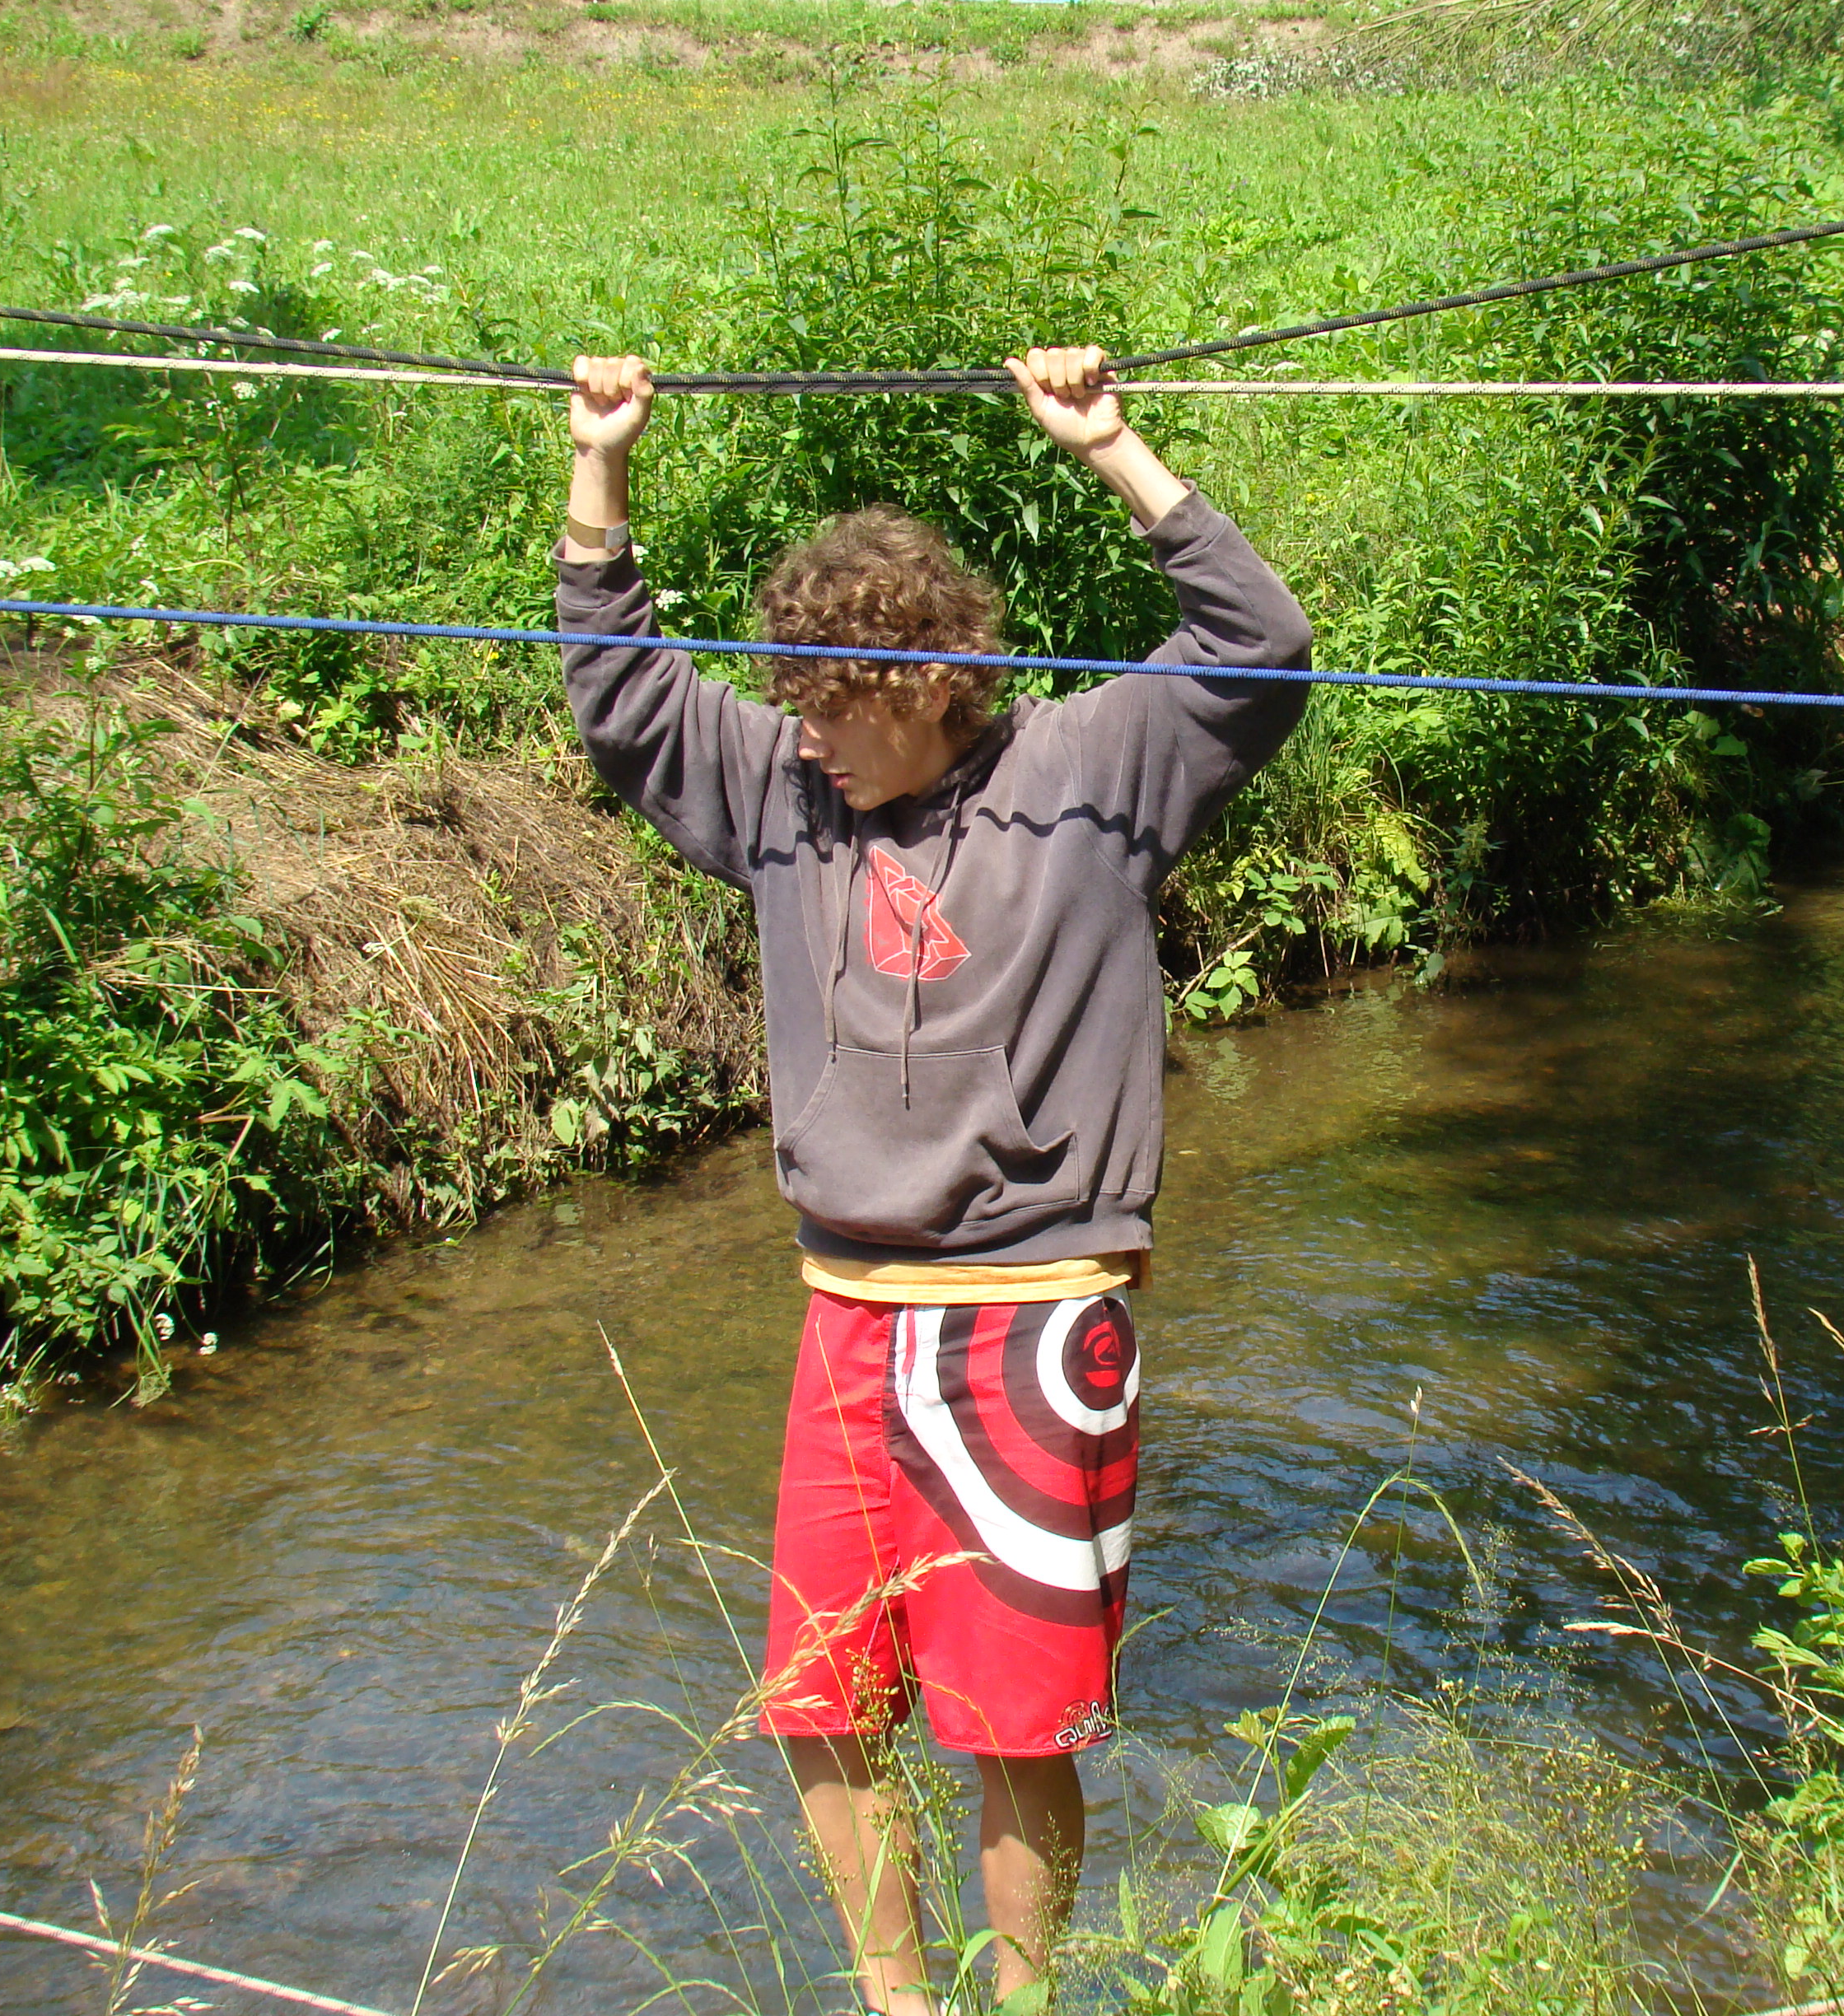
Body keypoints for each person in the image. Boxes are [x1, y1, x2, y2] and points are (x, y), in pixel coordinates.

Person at [555, 345, 1311, 2014]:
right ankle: (897, 2005)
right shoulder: (780, 790)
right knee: (821, 1706)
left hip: (1036, 1315)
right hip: (846, 1312)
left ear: (929, 683)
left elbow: (1260, 647)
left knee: (1014, 1720)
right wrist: (601, 465)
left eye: (838, 704)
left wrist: (1111, 446)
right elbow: (623, 692)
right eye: (797, 700)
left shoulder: (1097, 772)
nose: (808, 734)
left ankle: (1019, 2004)